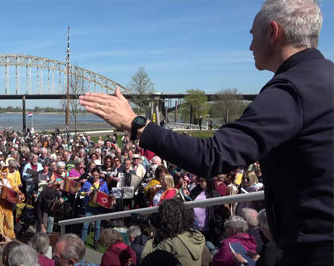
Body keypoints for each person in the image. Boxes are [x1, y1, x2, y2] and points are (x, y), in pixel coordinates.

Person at [79, 1, 333, 264]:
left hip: (314, 252)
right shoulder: (324, 78)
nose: (249, 46)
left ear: (272, 32)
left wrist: (137, 124)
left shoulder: (291, 90)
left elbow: (212, 156)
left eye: (251, 35)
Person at [141, 199, 205, 266]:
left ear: (166, 219)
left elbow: (146, 260)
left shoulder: (171, 243)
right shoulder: (196, 236)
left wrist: (154, 235)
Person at [80, 168, 109, 250]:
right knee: (85, 225)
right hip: (89, 206)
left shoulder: (103, 183)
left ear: (99, 174)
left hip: (98, 207)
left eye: (97, 175)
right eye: (94, 175)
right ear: (91, 175)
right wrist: (86, 193)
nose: (95, 177)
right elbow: (81, 192)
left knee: (97, 226)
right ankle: (83, 242)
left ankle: (96, 242)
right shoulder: (88, 182)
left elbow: (106, 194)